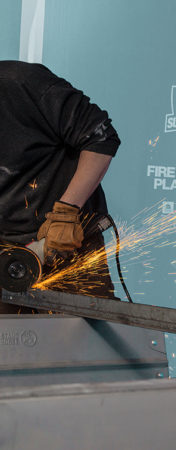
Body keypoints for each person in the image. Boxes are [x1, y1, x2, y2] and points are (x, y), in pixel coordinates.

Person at [0, 61, 121, 312]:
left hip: (66, 245)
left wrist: (66, 213)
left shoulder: (20, 83)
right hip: (7, 260)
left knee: (86, 346)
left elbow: (100, 138)